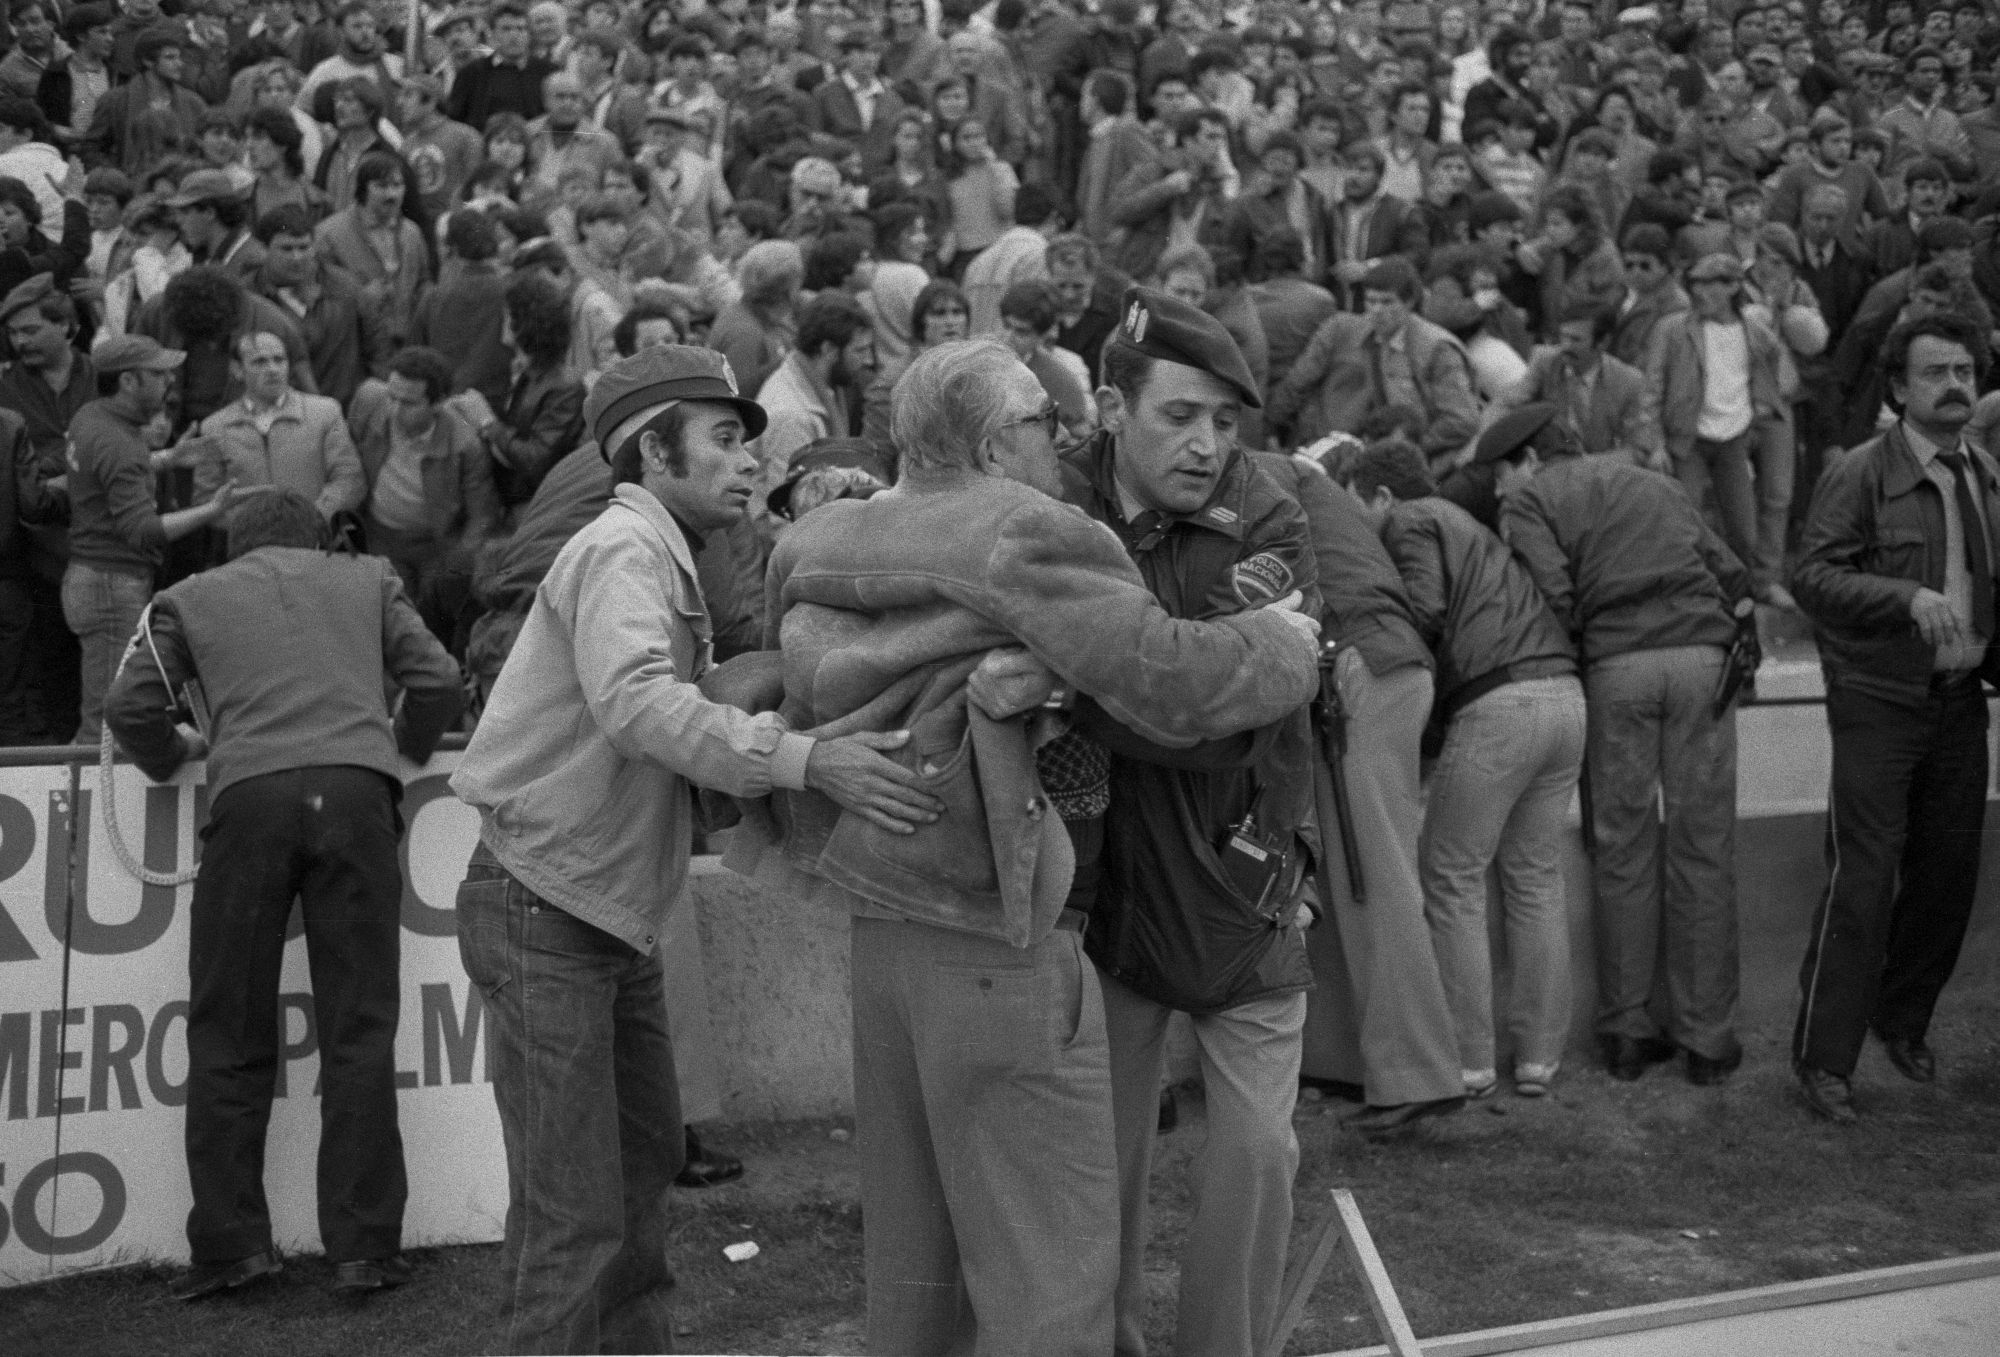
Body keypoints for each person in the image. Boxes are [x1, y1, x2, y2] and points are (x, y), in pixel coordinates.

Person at [726, 334, 1321, 1357]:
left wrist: (1036, 676)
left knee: (916, 1264)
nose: (1071, 437)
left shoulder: (822, 537)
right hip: (995, 936)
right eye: (1049, 422)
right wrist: (1281, 646)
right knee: (1049, 1272)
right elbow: (1170, 679)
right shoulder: (1026, 531)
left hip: (881, 924)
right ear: (1001, 441)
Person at [451, 345, 938, 1352]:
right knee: (576, 1217)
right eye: (723, 439)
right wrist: (805, 761)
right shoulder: (623, 553)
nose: (746, 461)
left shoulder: (666, 550)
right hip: (550, 907)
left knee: (632, 1195)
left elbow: (717, 692)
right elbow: (641, 706)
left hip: (592, 908)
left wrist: (824, 525)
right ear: (650, 450)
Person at [105, 488, 461, 1303]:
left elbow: (129, 706)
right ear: (320, 539)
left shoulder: (188, 597)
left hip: (248, 802)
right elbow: (437, 679)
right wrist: (398, 747)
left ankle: (234, 1245)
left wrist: (171, 754)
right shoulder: (369, 577)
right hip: (358, 794)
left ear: (236, 544)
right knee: (360, 1025)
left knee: (228, 1025)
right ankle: (363, 1247)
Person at [1053, 289, 1317, 1357]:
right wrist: (1194, 668)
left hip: (1240, 873)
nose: (1207, 444)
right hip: (1096, 885)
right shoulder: (1049, 502)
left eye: (1224, 419)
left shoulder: (1270, 515)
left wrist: (1086, 690)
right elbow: (1197, 688)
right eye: (1179, 416)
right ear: (1112, 406)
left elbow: (1231, 712)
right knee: (1095, 1164)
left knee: (1256, 1154)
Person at [1498, 405, 1753, 1086]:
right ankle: (1707, 1036)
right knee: (1704, 845)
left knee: (1623, 847)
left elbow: (1552, 589)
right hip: (1703, 660)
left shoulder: (1531, 496)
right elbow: (1730, 567)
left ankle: (1626, 1031)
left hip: (1618, 668)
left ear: (1525, 460)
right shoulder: (1649, 480)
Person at [1790, 312, 1998, 1124]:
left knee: (1949, 876)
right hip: (1878, 702)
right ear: (1900, 388)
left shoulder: (1983, 469)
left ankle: (1902, 1020)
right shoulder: (1860, 472)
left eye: (1965, 370)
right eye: (1937, 371)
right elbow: (1811, 577)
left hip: (1958, 704)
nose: (1955, 383)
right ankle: (1822, 1059)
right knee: (1863, 880)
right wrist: (1903, 597)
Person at [1346, 432, 1583, 1099]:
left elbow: (1424, 610)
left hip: (1499, 703)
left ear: (1383, 496)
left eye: (1358, 506)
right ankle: (1538, 1057)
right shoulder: (1468, 525)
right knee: (1536, 878)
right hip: (1565, 696)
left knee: (1450, 876)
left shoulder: (1414, 519)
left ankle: (1468, 1058)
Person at [62, 333, 236, 741]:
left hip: (93, 578)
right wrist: (213, 510)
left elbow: (104, 473)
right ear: (128, 381)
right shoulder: (118, 441)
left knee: (108, 709)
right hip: (111, 586)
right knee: (106, 721)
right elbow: (142, 532)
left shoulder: (91, 417)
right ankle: (82, 802)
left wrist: (169, 458)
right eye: (157, 374)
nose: (169, 383)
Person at [1649, 252, 1797, 608]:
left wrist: (1763, 404)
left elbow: (1787, 379)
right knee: (1685, 522)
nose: (1699, 292)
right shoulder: (1673, 328)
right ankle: (1687, 592)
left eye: (1709, 283)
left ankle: (1750, 589)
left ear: (1732, 287)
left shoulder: (1753, 331)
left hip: (1731, 438)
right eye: (1695, 284)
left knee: (1744, 531)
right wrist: (1655, 443)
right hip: (1688, 439)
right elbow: (1651, 388)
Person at [1267, 256, 1480, 471]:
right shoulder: (1370, 337)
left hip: (1426, 460)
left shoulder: (1437, 349)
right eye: (1371, 301)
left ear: (1409, 303)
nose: (1377, 310)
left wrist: (1405, 448)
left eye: (1387, 302)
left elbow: (1462, 421)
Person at [193, 329, 363, 518]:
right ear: (238, 370)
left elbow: (349, 479)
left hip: (314, 534)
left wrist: (314, 518)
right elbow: (206, 501)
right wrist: (251, 527)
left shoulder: (325, 412)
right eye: (260, 362)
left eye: (279, 360)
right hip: (250, 541)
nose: (273, 369)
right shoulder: (215, 427)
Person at [750, 291, 874, 545]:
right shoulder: (791, 415)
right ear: (828, 349)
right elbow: (786, 522)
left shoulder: (823, 387)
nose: (869, 360)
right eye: (860, 350)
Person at [1501, 299, 1665, 469]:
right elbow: (1508, 404)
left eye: (1575, 339)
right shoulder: (1545, 360)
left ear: (1603, 342)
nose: (1565, 346)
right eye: (1563, 336)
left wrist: (1579, 466)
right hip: (1543, 464)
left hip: (1595, 470)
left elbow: (1637, 450)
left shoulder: (1629, 381)